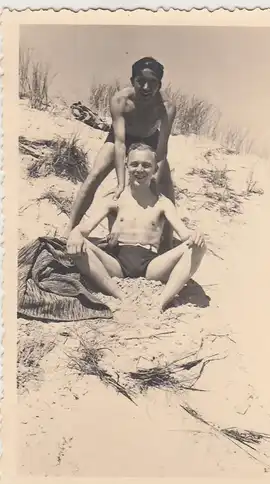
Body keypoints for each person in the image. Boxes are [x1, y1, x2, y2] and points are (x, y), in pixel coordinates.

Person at [67, 143, 206, 312]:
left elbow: (184, 234)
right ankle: (118, 294)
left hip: (151, 265)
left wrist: (196, 235)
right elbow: (84, 229)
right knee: (79, 245)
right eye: (134, 164)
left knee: (198, 248)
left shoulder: (162, 203)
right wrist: (75, 234)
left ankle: (161, 302)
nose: (140, 169)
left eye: (146, 165)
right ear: (126, 165)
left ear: (155, 169)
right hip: (117, 263)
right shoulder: (114, 199)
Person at [66, 56, 177, 253]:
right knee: (94, 174)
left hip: (151, 139)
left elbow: (162, 149)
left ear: (160, 84)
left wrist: (152, 180)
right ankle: (69, 229)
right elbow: (119, 142)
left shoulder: (167, 106)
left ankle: (167, 241)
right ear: (132, 80)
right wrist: (121, 184)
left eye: (152, 82)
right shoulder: (120, 100)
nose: (145, 87)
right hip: (123, 138)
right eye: (140, 81)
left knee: (165, 187)